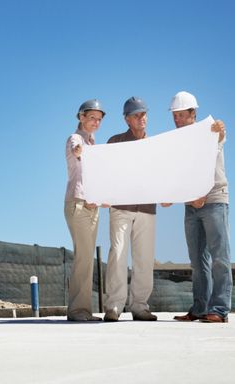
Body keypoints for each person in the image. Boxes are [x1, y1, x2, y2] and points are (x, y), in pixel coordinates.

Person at [169, 91, 232, 323]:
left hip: (214, 200)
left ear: (193, 113)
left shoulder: (210, 129)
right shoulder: (177, 141)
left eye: (180, 115)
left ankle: (220, 309)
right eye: (174, 116)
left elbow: (220, 135)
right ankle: (199, 308)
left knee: (219, 258)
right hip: (191, 205)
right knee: (197, 261)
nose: (176, 119)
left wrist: (220, 129)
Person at [103, 97, 158, 322]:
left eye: (143, 114)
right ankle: (114, 306)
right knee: (117, 254)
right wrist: (103, 195)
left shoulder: (156, 145)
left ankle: (140, 306)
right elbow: (104, 171)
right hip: (121, 208)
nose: (141, 118)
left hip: (146, 208)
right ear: (127, 119)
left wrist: (166, 195)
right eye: (136, 115)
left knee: (144, 258)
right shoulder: (114, 142)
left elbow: (162, 175)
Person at [64, 99, 107, 321]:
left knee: (87, 257)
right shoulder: (76, 139)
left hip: (92, 205)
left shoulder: (93, 144)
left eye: (99, 120)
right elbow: (76, 151)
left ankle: (83, 310)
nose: (95, 122)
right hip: (78, 204)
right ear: (81, 117)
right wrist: (81, 151)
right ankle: (77, 311)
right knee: (83, 257)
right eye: (92, 118)